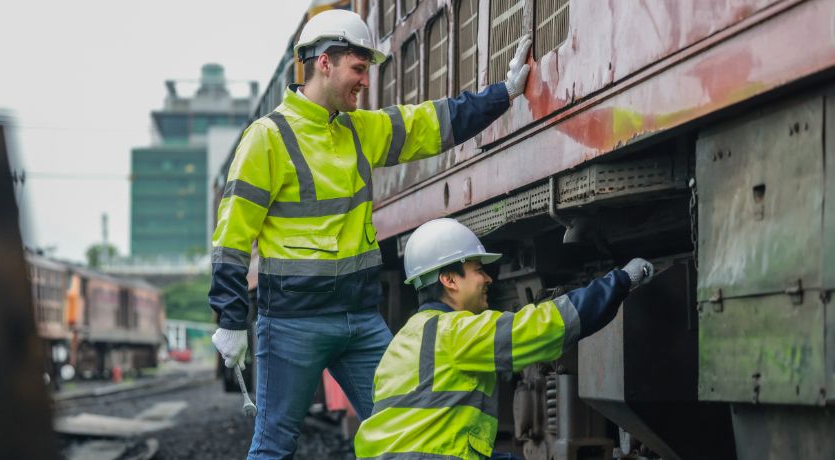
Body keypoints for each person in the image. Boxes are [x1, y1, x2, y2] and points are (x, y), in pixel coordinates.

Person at [208, 8, 534, 460]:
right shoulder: (267, 138)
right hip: (291, 324)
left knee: (407, 426)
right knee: (274, 444)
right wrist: (229, 317)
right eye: (358, 69)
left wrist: (503, 94)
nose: (365, 81)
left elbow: (431, 124)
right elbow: (232, 237)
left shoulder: (361, 131)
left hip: (360, 320)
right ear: (324, 63)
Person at [353, 218, 654, 459]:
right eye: (478, 270)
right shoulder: (454, 332)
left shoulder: (405, 339)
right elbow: (541, 328)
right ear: (449, 280)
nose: (488, 279)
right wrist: (619, 282)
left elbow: (429, 432)